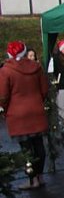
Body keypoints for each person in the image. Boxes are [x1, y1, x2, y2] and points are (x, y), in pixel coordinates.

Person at [0, 41, 50, 190]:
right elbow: (44, 89)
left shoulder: (6, 70)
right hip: (36, 110)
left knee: (26, 149)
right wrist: (38, 101)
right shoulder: (36, 67)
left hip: (18, 114)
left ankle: (32, 179)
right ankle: (40, 176)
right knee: (39, 145)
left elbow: (3, 95)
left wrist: (4, 108)